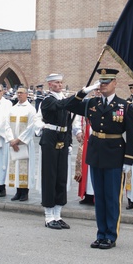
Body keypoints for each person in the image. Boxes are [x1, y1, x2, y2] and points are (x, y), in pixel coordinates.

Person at [66, 68, 133, 249]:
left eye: (106, 82)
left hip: (115, 156)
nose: (103, 85)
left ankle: (110, 236)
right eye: (101, 83)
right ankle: (100, 233)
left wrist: (128, 160)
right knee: (100, 197)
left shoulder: (125, 106)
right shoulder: (92, 103)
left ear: (115, 83)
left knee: (112, 197)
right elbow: (70, 105)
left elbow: (132, 135)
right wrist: (85, 91)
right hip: (96, 155)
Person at [39, 73, 75, 228]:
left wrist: (69, 142)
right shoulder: (47, 100)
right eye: (56, 83)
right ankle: (48, 216)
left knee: (61, 176)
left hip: (62, 138)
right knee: (50, 176)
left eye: (61, 82)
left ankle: (58, 214)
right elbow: (60, 105)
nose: (59, 85)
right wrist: (81, 93)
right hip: (50, 138)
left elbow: (68, 123)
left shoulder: (63, 100)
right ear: (49, 85)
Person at [6, 86, 39, 202]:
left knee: (25, 168)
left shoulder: (31, 109)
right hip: (14, 143)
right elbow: (7, 125)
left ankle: (25, 192)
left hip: (24, 143)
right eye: (18, 93)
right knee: (15, 167)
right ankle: (17, 191)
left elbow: (31, 127)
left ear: (26, 94)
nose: (19, 95)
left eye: (21, 93)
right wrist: (11, 139)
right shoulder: (12, 109)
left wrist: (18, 140)